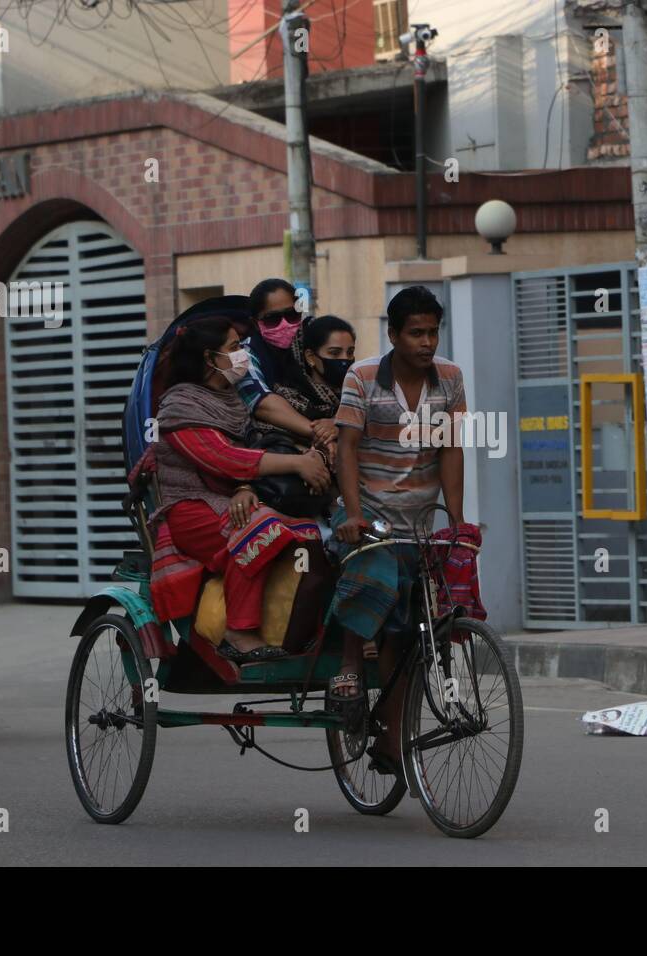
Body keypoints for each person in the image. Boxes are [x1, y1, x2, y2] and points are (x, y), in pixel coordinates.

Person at [329, 285, 467, 772]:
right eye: (416, 333)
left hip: (419, 518)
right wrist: (351, 512)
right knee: (374, 575)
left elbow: (452, 448)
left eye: (433, 332)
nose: (426, 342)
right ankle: (348, 666)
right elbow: (345, 447)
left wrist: (456, 518)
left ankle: (391, 738)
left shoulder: (450, 377)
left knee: (408, 636)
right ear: (393, 334)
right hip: (364, 510)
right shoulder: (363, 376)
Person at [147, 313, 331, 665]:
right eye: (234, 348)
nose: (242, 355)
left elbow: (249, 450)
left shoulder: (231, 399)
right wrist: (297, 463)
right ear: (209, 358)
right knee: (260, 529)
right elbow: (225, 458)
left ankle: (298, 637)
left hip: (233, 497)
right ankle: (238, 630)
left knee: (309, 534)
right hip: (190, 508)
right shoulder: (179, 405)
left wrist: (246, 486)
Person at [234, 278, 338, 454]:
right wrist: (322, 434)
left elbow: (350, 385)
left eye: (291, 315)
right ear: (255, 323)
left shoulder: (316, 336)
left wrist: (337, 423)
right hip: (279, 444)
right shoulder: (239, 356)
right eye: (272, 319)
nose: (284, 324)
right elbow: (263, 405)